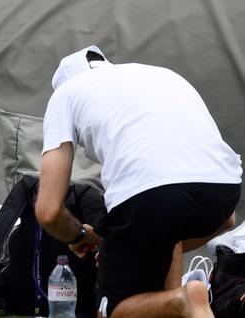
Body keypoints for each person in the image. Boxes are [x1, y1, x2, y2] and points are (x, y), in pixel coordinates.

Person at [34, 46, 242, 317]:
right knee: (168, 236)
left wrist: (79, 235)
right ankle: (177, 300)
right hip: (223, 192)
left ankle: (184, 298)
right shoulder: (162, 75)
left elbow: (48, 211)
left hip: (153, 196)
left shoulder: (66, 94)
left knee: (114, 310)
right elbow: (224, 217)